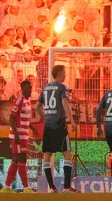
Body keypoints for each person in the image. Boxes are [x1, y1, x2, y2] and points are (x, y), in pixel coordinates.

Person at [35, 65, 76, 193]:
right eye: (64, 73)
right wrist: (72, 121)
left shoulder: (46, 88)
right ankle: (67, 187)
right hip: (59, 124)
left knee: (47, 155)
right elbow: (64, 103)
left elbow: (37, 107)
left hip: (48, 126)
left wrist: (45, 117)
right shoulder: (62, 87)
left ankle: (52, 188)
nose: (65, 75)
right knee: (68, 154)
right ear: (59, 74)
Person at [1, 80, 38, 193]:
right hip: (17, 136)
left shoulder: (28, 100)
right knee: (20, 158)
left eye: (31, 88)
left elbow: (24, 117)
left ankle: (6, 187)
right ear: (22, 89)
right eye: (28, 88)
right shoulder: (19, 100)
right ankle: (25, 188)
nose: (30, 90)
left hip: (24, 135)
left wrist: (33, 128)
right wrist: (16, 134)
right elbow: (11, 118)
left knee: (17, 159)